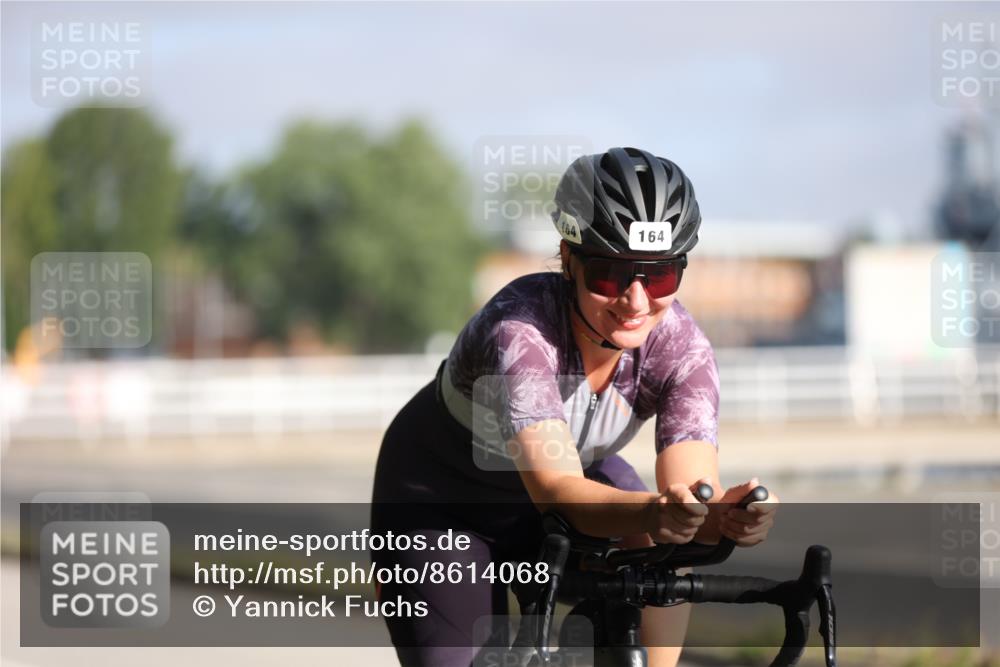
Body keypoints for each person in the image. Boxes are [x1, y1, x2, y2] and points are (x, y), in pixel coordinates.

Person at [370, 146, 778, 667]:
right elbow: (558, 494)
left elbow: (689, 492)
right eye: (610, 274)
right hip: (445, 499)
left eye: (658, 278)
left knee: (660, 555)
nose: (635, 302)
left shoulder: (683, 348)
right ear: (568, 258)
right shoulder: (520, 330)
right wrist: (658, 511)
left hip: (577, 480)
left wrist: (720, 517)